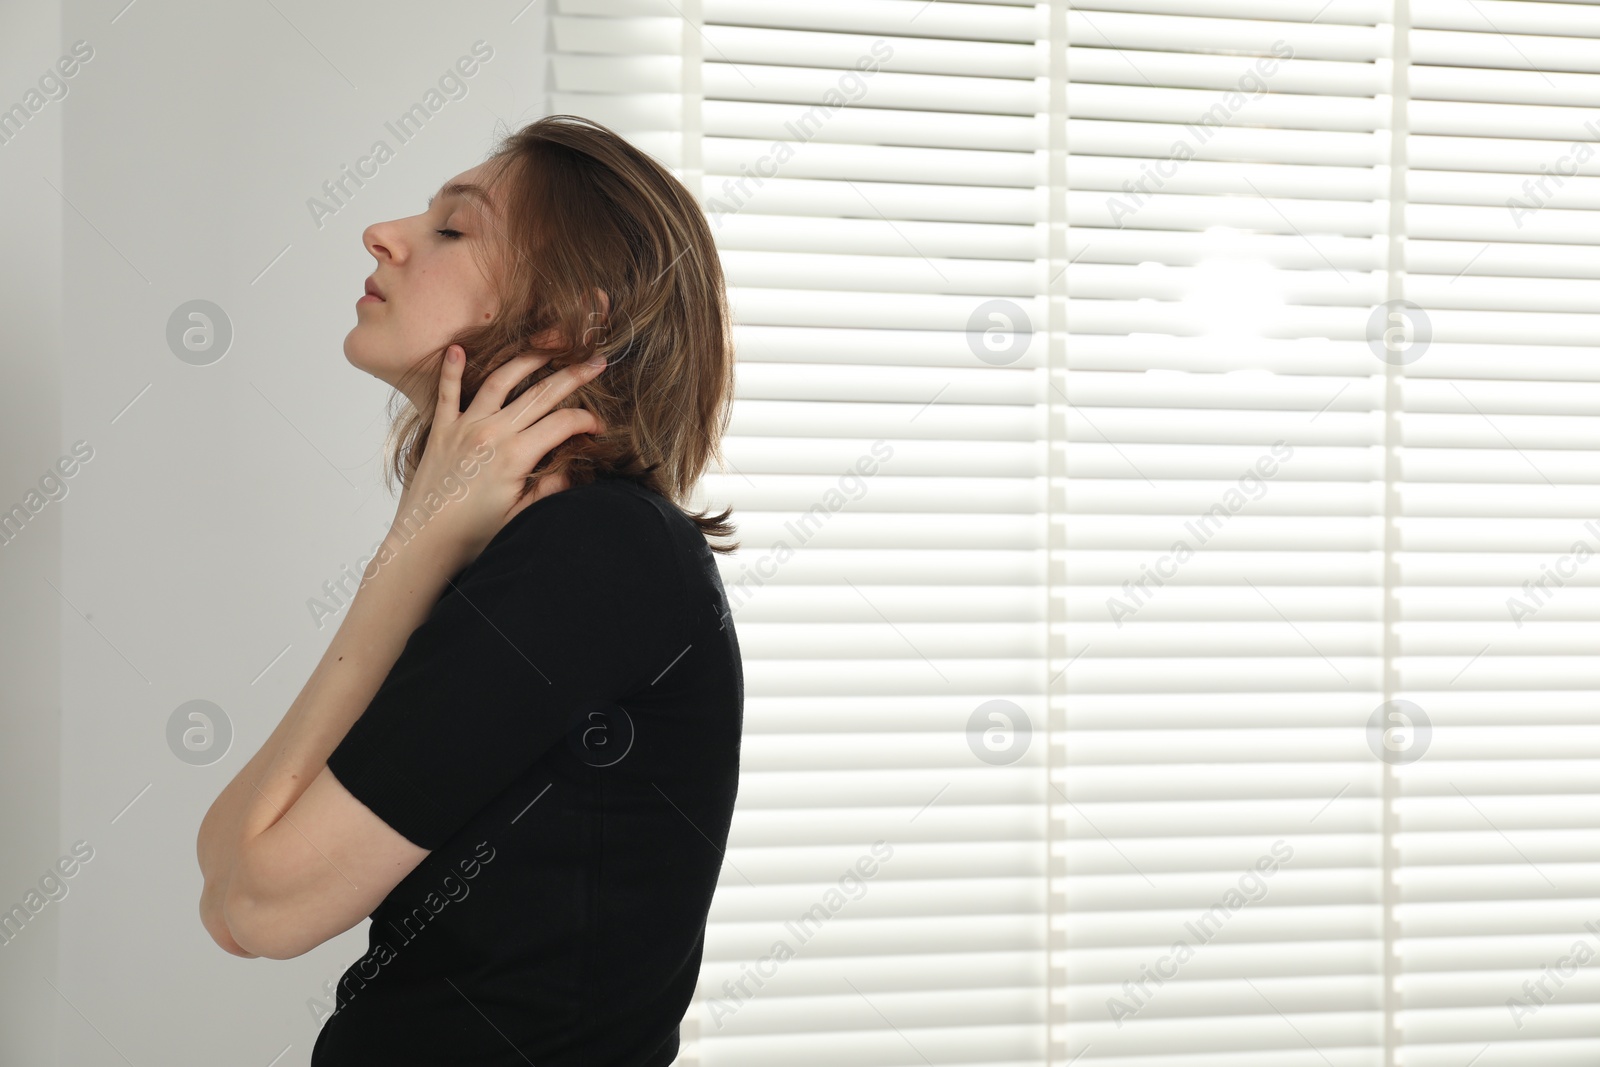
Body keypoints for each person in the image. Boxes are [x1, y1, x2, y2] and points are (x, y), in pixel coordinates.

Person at [195, 114, 745, 1066]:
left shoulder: (597, 555)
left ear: (571, 322)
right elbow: (228, 886)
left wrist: (409, 555)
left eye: (453, 229)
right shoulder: (544, 557)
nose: (384, 233)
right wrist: (419, 551)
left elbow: (258, 907)